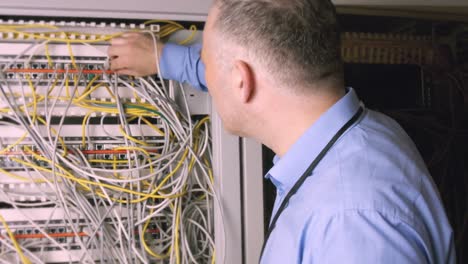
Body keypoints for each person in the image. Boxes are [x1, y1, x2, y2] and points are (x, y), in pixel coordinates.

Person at [108, 0, 456, 263]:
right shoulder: (368, 131)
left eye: (208, 62)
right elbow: (261, 73)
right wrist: (164, 59)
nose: (207, 75)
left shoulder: (350, 224)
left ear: (240, 81)